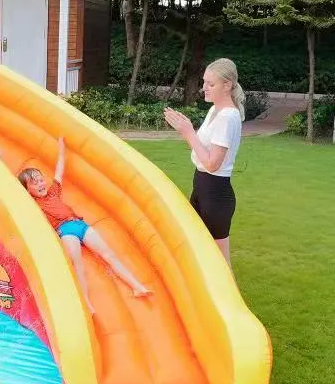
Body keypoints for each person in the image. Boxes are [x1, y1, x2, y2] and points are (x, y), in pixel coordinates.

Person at [19, 137, 151, 314]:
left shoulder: (53, 193)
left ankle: (136, 286)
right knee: (77, 262)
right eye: (34, 183)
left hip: (80, 224)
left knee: (108, 253)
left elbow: (59, 171)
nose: (41, 184)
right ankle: (86, 301)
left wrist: (62, 149)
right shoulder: (33, 204)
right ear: (27, 190)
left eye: (41, 180)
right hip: (64, 231)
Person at [164, 58, 244, 265]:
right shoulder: (214, 110)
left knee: (220, 262)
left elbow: (212, 164)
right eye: (204, 82)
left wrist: (188, 132)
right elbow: (201, 148)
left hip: (215, 194)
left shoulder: (228, 117)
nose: (204, 88)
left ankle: (229, 298)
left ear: (227, 85)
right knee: (199, 253)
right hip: (201, 186)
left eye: (211, 84)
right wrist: (186, 128)